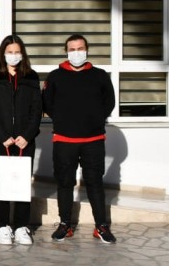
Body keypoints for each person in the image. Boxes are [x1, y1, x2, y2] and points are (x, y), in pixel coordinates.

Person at [42, 34, 117, 244]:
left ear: (87, 50)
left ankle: (101, 226)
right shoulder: (55, 76)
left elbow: (109, 102)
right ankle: (65, 224)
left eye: (80, 48)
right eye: (72, 49)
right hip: (64, 140)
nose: (77, 53)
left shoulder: (100, 76)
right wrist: (64, 120)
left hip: (93, 140)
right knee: (65, 182)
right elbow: (47, 103)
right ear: (66, 52)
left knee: (94, 182)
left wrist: (94, 119)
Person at [0, 35, 42, 245]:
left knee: (22, 183)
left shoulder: (31, 76)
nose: (14, 56)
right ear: (3, 54)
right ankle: (2, 225)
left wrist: (27, 135)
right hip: (2, 141)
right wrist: (2, 136)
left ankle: (21, 226)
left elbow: (37, 109)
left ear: (22, 54)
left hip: (25, 141)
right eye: (10, 52)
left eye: (17, 52)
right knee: (1, 183)